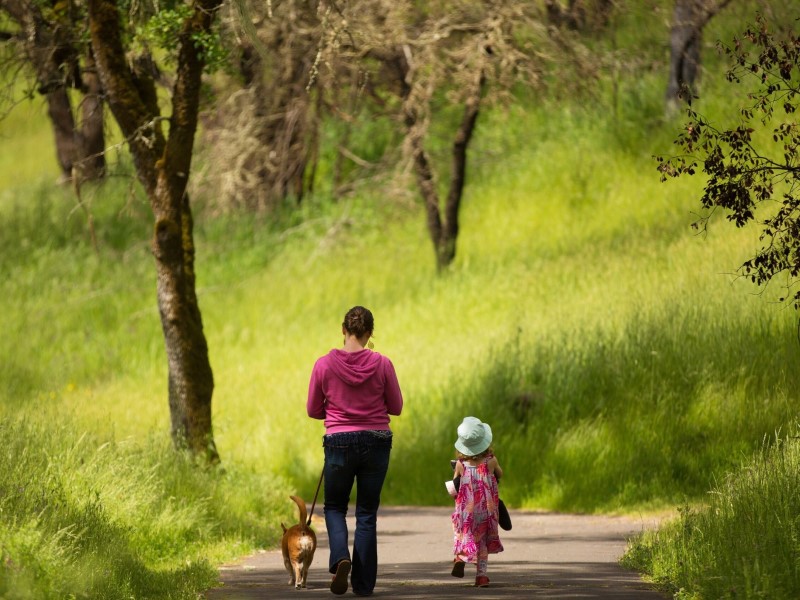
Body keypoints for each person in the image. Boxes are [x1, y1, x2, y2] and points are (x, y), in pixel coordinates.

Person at [307, 306, 404, 596]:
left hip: (338, 441)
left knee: (335, 507)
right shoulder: (383, 363)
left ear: (343, 330)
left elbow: (313, 410)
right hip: (376, 442)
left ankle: (340, 558)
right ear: (369, 333)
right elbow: (396, 407)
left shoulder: (323, 365)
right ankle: (363, 585)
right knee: (366, 513)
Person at [449, 416, 504, 588]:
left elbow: (455, 485)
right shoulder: (491, 461)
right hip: (485, 511)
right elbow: (500, 474)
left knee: (465, 535)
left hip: (467, 512)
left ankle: (460, 558)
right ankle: (481, 576)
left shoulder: (460, 464)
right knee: (482, 542)